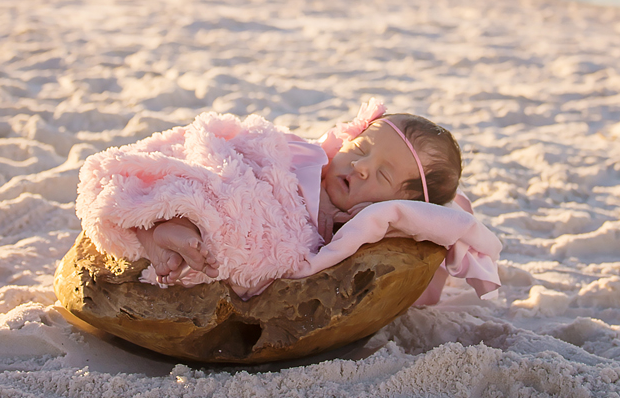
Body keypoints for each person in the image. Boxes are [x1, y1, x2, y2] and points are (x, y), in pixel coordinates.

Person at [73, 99, 499, 301]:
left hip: (263, 217)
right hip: (250, 185)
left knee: (259, 237)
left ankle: (169, 232)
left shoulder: (366, 220)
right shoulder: (306, 157)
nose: (363, 166)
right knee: (222, 190)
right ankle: (165, 223)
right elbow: (248, 166)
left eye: (382, 173)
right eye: (362, 149)